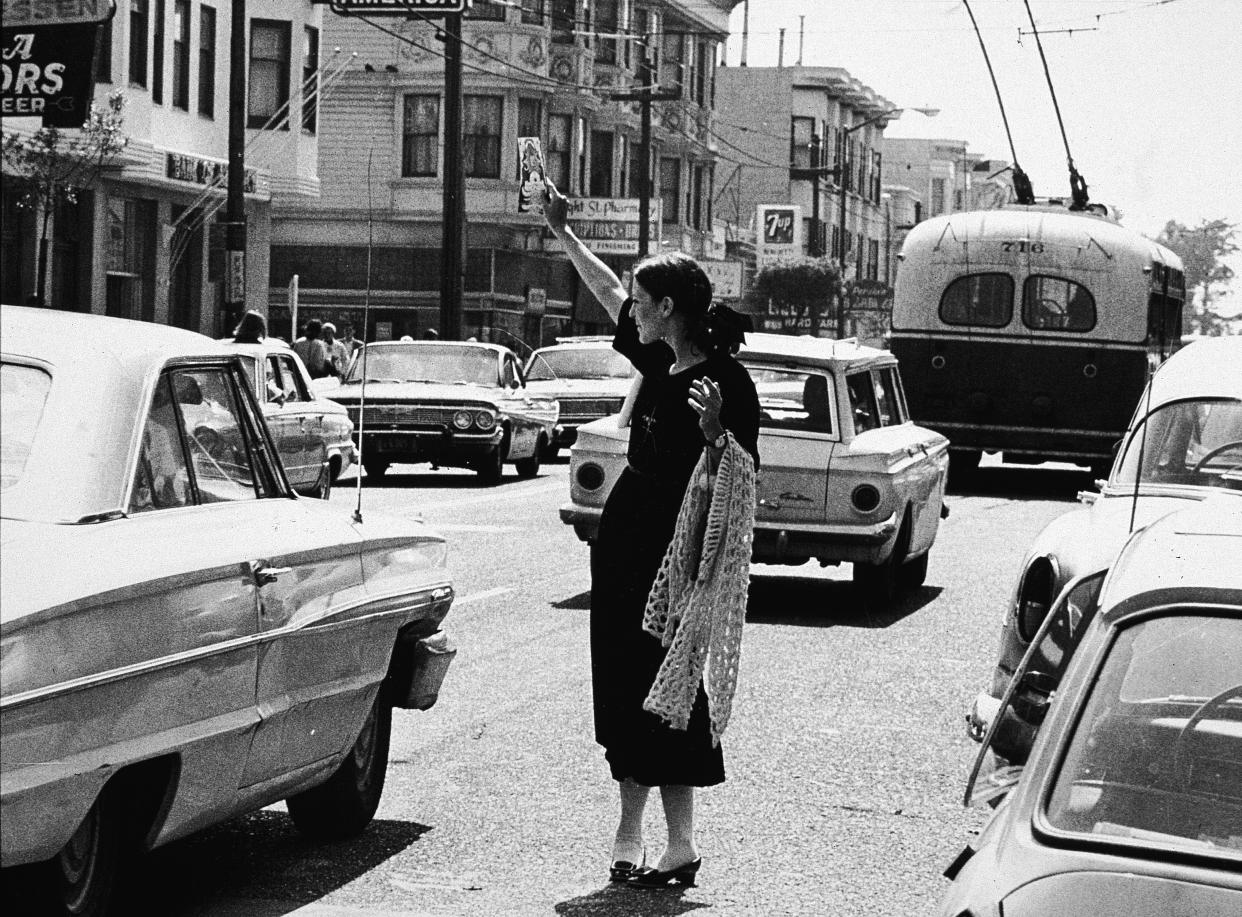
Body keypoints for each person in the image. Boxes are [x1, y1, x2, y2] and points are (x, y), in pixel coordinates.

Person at [543, 181, 760, 889]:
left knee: (671, 688)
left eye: (643, 302)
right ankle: (633, 831)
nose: (631, 311)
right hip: (627, 539)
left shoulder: (726, 380)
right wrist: (563, 231)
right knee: (622, 685)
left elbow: (741, 472)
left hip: (680, 550)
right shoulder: (658, 362)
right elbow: (607, 289)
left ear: (669, 308)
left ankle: (682, 839)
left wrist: (715, 433)